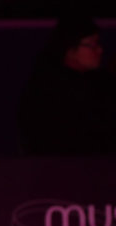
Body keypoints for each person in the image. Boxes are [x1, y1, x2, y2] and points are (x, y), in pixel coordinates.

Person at [18, 14, 116, 156]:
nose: (100, 50)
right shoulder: (47, 90)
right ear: (70, 50)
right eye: (92, 45)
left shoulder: (99, 83)